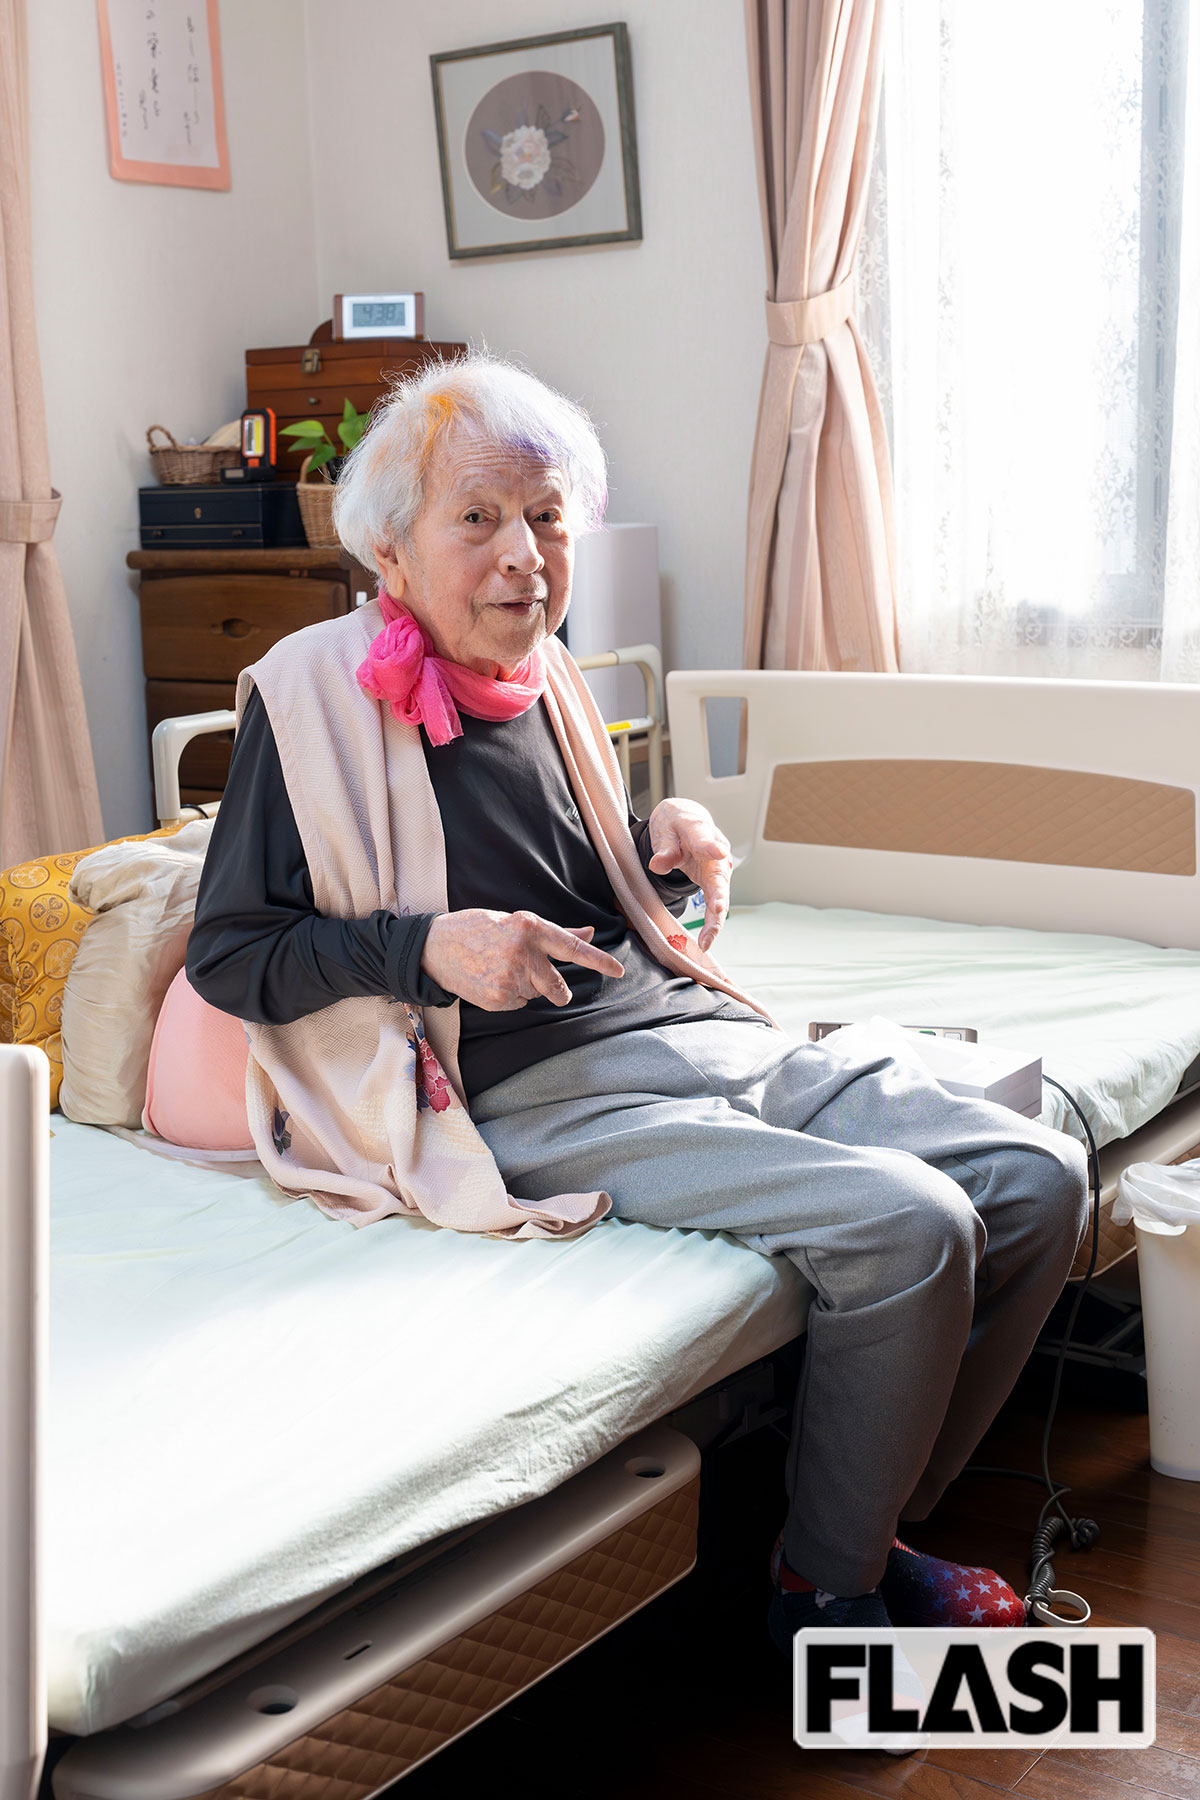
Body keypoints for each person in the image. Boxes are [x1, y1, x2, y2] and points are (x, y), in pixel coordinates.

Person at [187, 351, 1089, 1653]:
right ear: (392, 549)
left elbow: (582, 889)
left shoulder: (548, 674)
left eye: (547, 517)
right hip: (520, 1097)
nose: (525, 557)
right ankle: (828, 1590)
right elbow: (232, 955)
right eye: (479, 517)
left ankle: (871, 1518)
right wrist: (424, 950)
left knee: (1040, 1175)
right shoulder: (306, 695)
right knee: (911, 1223)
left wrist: (661, 847)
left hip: (681, 1030)